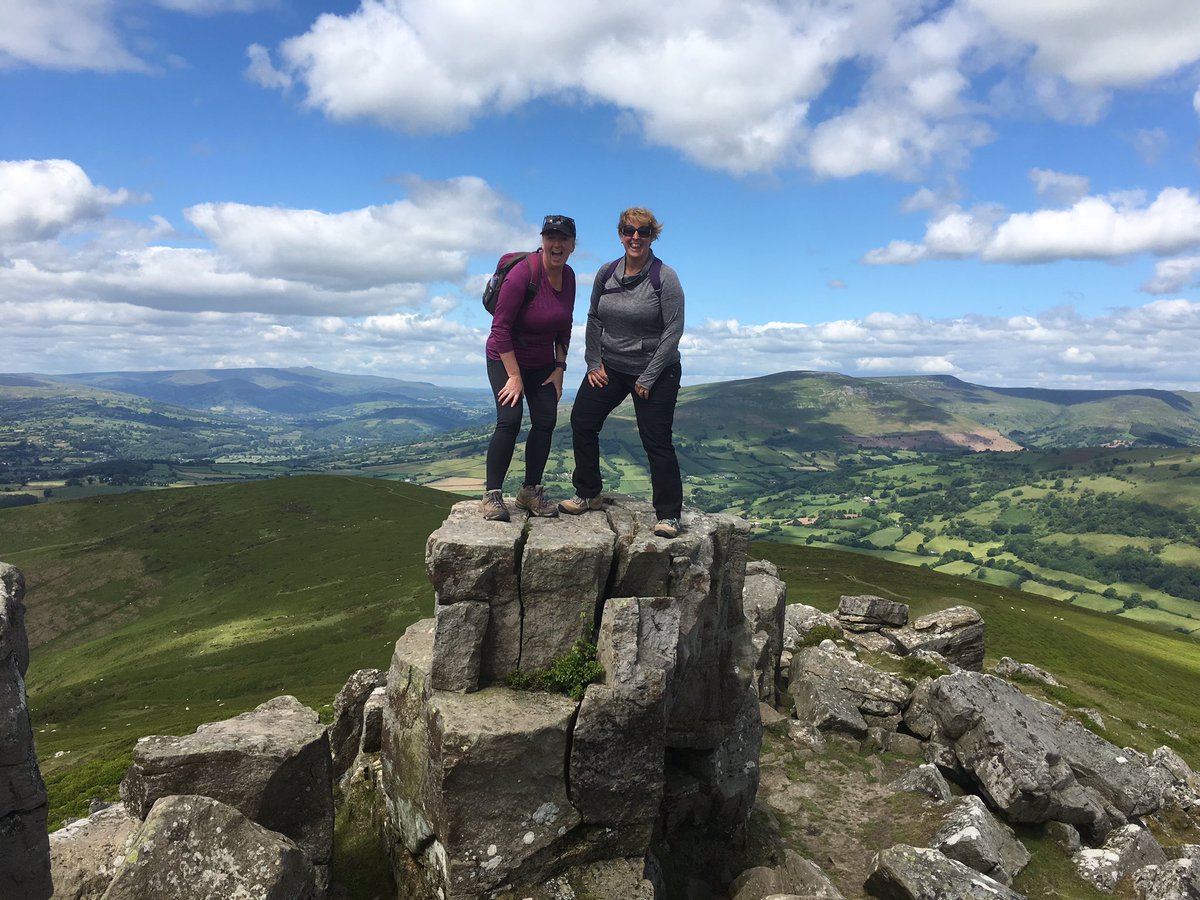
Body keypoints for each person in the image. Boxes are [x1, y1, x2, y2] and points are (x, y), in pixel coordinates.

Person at [559, 207, 685, 537]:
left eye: (643, 232)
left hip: (657, 371)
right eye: (629, 231)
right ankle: (588, 493)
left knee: (656, 441)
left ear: (651, 236)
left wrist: (648, 376)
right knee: (583, 420)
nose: (635, 237)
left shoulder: (664, 277)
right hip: (611, 366)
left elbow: (673, 331)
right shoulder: (606, 273)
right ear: (620, 234)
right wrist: (593, 363)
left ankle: (669, 515)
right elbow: (594, 318)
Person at [481, 214, 577, 521]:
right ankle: (492, 495)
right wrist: (513, 376)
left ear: (573, 245)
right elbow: (500, 329)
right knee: (509, 419)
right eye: (550, 237)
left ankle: (529, 492)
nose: (556, 244)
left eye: (563, 239)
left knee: (546, 419)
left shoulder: (570, 277)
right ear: (542, 241)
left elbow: (565, 326)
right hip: (505, 357)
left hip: (542, 363)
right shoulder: (524, 273)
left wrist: (560, 367)